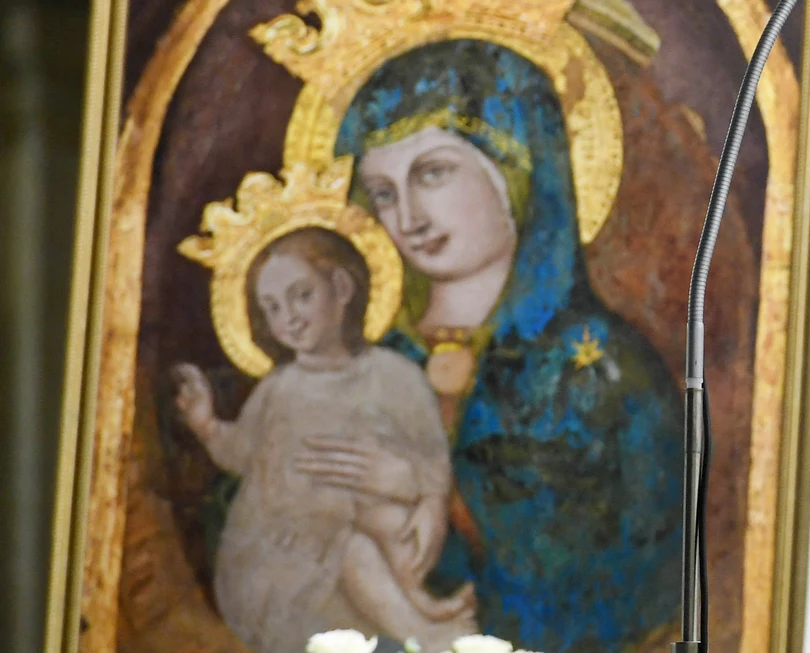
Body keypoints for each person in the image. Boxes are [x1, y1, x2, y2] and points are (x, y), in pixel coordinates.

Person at [301, 38, 683, 653]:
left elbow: (629, 573)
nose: (409, 217)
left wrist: (438, 491)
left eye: (433, 173)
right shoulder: (375, 362)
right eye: (383, 191)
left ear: (517, 171)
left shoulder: (605, 369)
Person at [173, 227, 477, 653]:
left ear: (341, 287)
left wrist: (429, 502)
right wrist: (207, 425)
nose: (289, 318)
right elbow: (243, 454)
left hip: (367, 538)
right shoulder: (280, 388)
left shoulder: (396, 377)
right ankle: (422, 632)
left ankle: (417, 606)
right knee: (351, 543)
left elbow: (431, 460)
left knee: (392, 524)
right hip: (281, 557)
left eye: (301, 296)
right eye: (272, 308)